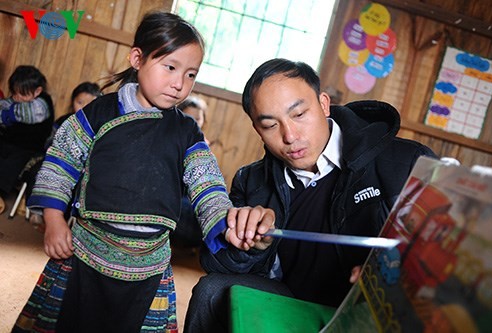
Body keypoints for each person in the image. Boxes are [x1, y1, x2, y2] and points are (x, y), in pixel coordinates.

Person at [13, 11, 273, 333]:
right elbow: (60, 163)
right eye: (170, 67)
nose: (180, 84)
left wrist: (227, 223)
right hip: (85, 250)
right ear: (137, 58)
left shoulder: (186, 131)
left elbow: (207, 184)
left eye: (191, 74)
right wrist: (53, 220)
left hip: (150, 265)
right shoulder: (99, 113)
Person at [184, 58, 437, 332]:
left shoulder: (406, 163)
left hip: (369, 308)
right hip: (290, 299)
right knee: (213, 291)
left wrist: (392, 274)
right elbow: (216, 262)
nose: (290, 136)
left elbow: (443, 257)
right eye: (270, 125)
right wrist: (250, 245)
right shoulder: (252, 181)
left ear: (324, 104)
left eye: (299, 114)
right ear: (257, 129)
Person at [28, 81, 102, 230]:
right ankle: (40, 212)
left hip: (88, 168)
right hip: (58, 160)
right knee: (39, 171)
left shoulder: (102, 125)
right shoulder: (65, 121)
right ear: (72, 101)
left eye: (90, 103)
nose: (84, 107)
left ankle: (66, 222)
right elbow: (49, 143)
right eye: (80, 102)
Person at [0, 65, 54, 215]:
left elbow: (29, 113)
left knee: (13, 161)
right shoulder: (15, 99)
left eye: (22, 94)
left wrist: (5, 116)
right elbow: (4, 105)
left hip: (30, 148)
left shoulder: (43, 102)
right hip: (8, 142)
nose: (17, 97)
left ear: (37, 91)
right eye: (15, 93)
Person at [171, 95, 210, 249]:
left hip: (189, 195)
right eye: (188, 117)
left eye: (197, 118)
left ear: (203, 121)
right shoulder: (168, 138)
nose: (193, 122)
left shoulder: (203, 146)